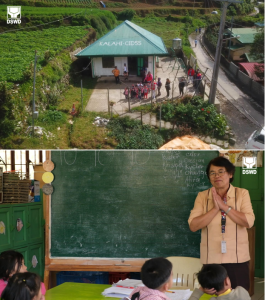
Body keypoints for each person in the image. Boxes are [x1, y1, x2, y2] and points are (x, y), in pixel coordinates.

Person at [188, 156, 255, 291]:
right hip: (211, 258)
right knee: (211, 294)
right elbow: (193, 226)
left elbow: (248, 222)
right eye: (212, 173)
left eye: (221, 171)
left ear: (230, 174)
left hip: (237, 258)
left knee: (238, 295)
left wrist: (225, 207)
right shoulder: (202, 196)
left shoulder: (242, 194)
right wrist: (215, 208)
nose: (216, 176)